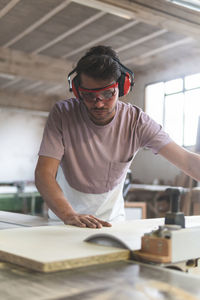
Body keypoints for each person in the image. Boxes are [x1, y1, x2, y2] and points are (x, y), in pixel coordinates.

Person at [35, 45, 200, 229]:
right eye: (89, 96)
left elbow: (187, 161)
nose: (99, 103)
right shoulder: (63, 114)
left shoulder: (137, 122)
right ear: (77, 91)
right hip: (64, 222)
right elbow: (44, 174)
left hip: (112, 224)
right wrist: (68, 215)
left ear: (122, 87)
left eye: (107, 94)